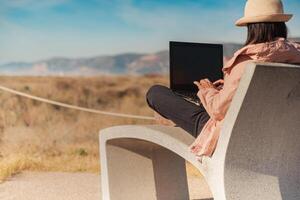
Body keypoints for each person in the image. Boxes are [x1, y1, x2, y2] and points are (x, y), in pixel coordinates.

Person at [146, 0, 300, 160]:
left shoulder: (247, 61)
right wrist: (227, 88)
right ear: (282, 25)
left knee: (155, 92)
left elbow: (218, 110)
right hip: (279, 135)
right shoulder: (295, 58)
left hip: (233, 136)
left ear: (252, 28)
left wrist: (207, 91)